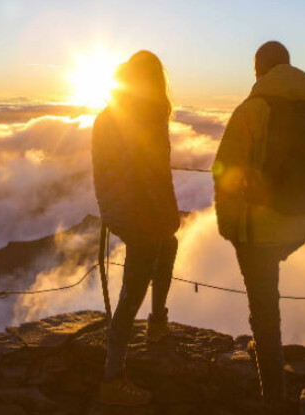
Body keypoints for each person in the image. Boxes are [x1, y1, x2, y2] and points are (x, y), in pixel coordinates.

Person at [212, 41, 305, 408]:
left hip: (259, 230)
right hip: (303, 224)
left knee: (265, 309)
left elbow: (224, 170)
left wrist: (229, 224)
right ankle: (265, 344)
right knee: (269, 280)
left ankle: (273, 399)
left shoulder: (252, 109)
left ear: (258, 70)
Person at [91, 50, 180, 406]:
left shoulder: (110, 112)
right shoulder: (145, 114)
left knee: (169, 245)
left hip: (116, 207)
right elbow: (153, 172)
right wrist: (167, 214)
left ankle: (157, 322)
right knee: (132, 292)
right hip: (139, 209)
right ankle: (112, 378)